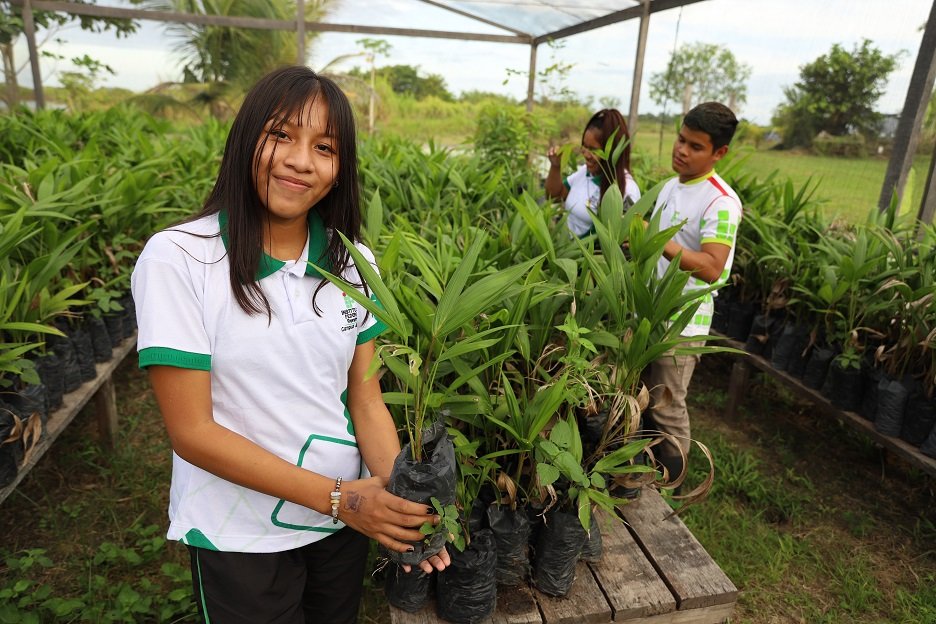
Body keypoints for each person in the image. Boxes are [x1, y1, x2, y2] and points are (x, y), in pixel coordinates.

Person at [131, 66, 449, 624]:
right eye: (280, 135)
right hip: (241, 530)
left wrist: (397, 507)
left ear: (340, 167)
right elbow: (192, 432)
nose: (301, 161)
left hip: (339, 522)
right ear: (244, 140)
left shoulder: (354, 264)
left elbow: (366, 400)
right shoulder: (179, 259)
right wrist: (344, 499)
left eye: (324, 147)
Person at [646, 101, 742, 482]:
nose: (681, 150)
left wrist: (658, 240)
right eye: (681, 139)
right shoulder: (672, 186)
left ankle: (672, 484)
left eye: (695, 146)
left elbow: (711, 266)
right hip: (650, 309)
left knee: (667, 405)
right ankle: (643, 473)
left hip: (682, 322)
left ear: (720, 152)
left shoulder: (720, 200)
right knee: (643, 394)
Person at [545, 108, 641, 237]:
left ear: (611, 150)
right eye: (584, 146)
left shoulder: (627, 190)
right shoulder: (585, 172)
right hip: (564, 245)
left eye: (594, 150)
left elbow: (625, 239)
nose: (586, 154)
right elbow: (555, 196)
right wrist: (555, 166)